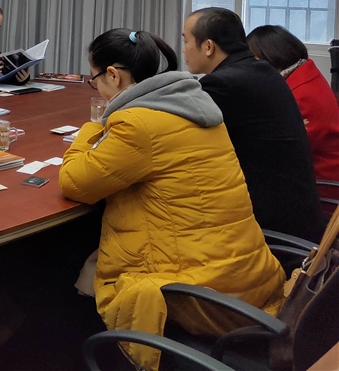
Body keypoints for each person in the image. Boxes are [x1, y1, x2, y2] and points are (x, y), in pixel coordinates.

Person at [59, 28, 285, 371]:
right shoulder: (197, 106)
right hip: (248, 274)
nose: (98, 88)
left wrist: (92, 128)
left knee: (66, 261)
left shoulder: (136, 123)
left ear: (113, 75)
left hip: (199, 292)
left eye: (95, 80)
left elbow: (74, 182)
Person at [182, 8, 324, 240]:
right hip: (297, 218)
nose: (183, 49)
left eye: (186, 41)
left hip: (271, 230)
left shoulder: (224, 84)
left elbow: (180, 140)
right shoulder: (262, 71)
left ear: (208, 46)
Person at [247, 25, 339, 215]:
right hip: (313, 182)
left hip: (321, 193)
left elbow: (287, 155)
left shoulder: (302, 95)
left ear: (268, 56)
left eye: (251, 60)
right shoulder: (304, 75)